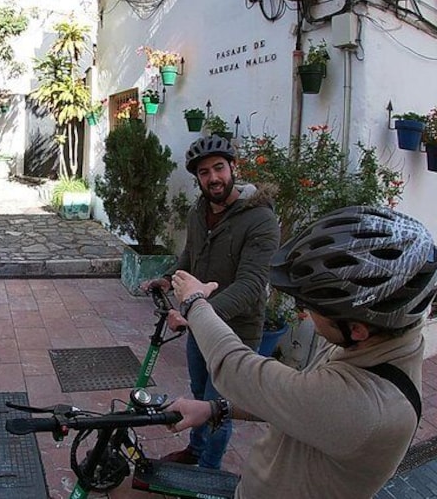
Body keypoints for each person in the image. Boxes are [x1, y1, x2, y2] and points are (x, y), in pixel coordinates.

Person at [166, 205, 437, 498]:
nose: (304, 311)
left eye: (309, 306)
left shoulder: (367, 409)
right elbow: (296, 403)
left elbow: (235, 368)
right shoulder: (373, 346)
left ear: (357, 328)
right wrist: (216, 409)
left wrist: (194, 302)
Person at [142, 135, 280, 469]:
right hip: (198, 327)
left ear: (234, 167)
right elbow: (191, 256)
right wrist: (168, 276)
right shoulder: (199, 210)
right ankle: (195, 450)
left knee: (219, 406)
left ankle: (209, 470)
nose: (213, 178)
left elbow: (250, 285)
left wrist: (193, 311)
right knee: (199, 390)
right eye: (204, 172)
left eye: (219, 168)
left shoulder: (260, 220)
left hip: (236, 333)